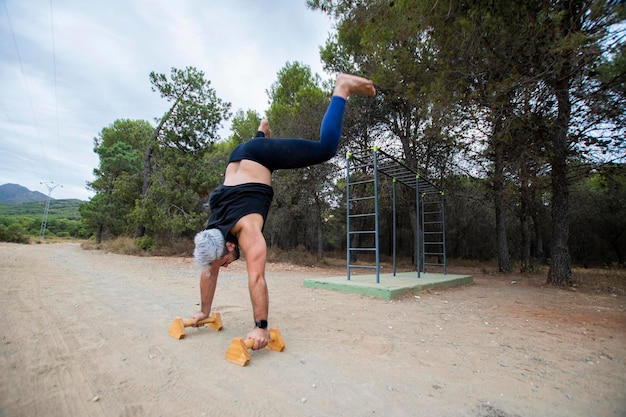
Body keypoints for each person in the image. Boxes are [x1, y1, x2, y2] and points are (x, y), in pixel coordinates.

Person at [190, 73, 376, 350]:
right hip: (237, 155)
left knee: (326, 149)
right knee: (260, 144)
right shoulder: (211, 235)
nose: (227, 264)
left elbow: (256, 278)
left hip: (258, 156)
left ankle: (342, 88)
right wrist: (204, 312)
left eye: (226, 261)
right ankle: (261, 130)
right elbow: (209, 271)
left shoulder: (248, 231)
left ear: (230, 244)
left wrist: (260, 327)